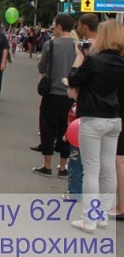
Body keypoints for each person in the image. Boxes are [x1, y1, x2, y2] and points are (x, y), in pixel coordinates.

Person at [66, 19, 124, 232]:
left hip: (93, 117)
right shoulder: (121, 62)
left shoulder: (94, 61)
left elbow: (74, 80)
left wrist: (80, 57)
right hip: (114, 119)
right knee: (108, 168)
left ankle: (89, 219)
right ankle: (102, 215)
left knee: (91, 169)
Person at [31, 14, 77, 178]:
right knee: (66, 131)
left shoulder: (50, 44)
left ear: (59, 26)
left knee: (47, 128)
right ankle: (63, 167)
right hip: (70, 95)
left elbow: (42, 66)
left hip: (52, 93)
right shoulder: (78, 46)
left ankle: (47, 165)